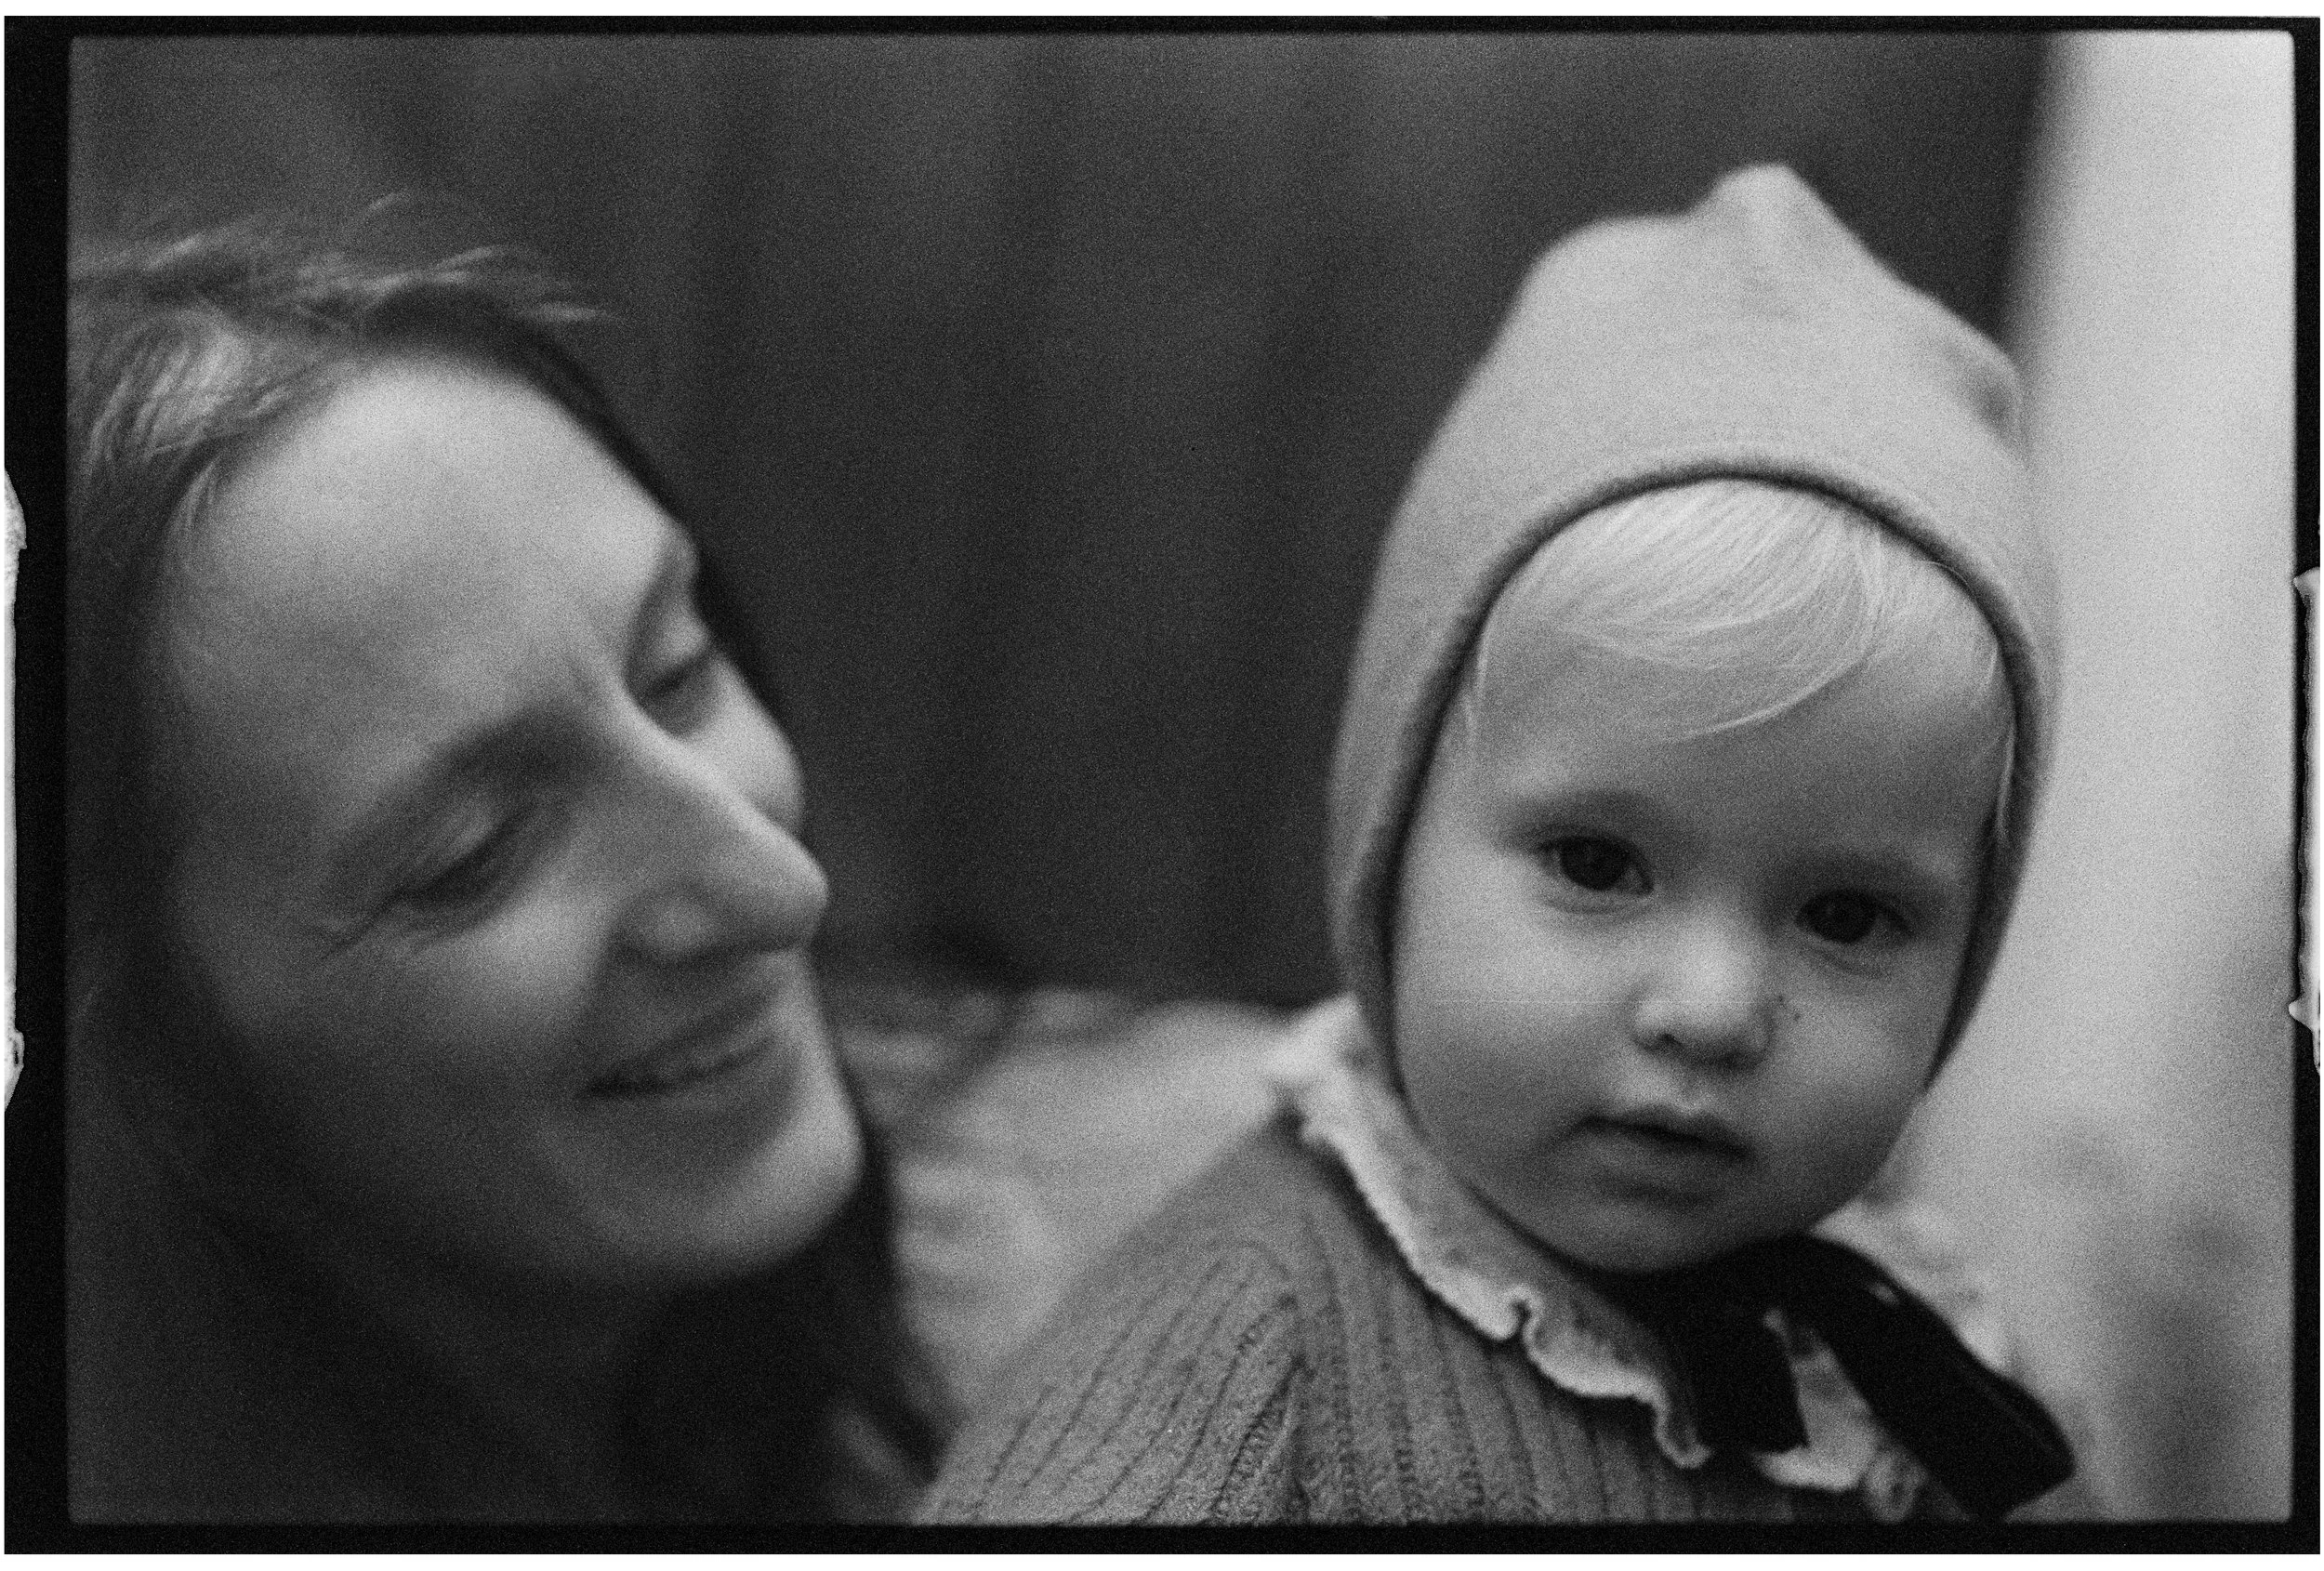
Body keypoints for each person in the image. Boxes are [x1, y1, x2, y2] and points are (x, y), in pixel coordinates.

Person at [918, 165, 2077, 1524]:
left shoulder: (1917, 1356)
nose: (1710, 1011)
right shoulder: (1229, 1360)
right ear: (1388, 851)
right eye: (1597, 864)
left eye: (1849, 915)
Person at [66, 220, 941, 1523]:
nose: (780, 890)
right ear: (159, 1081)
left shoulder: (1108, 1167)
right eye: (470, 855)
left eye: (679, 670)